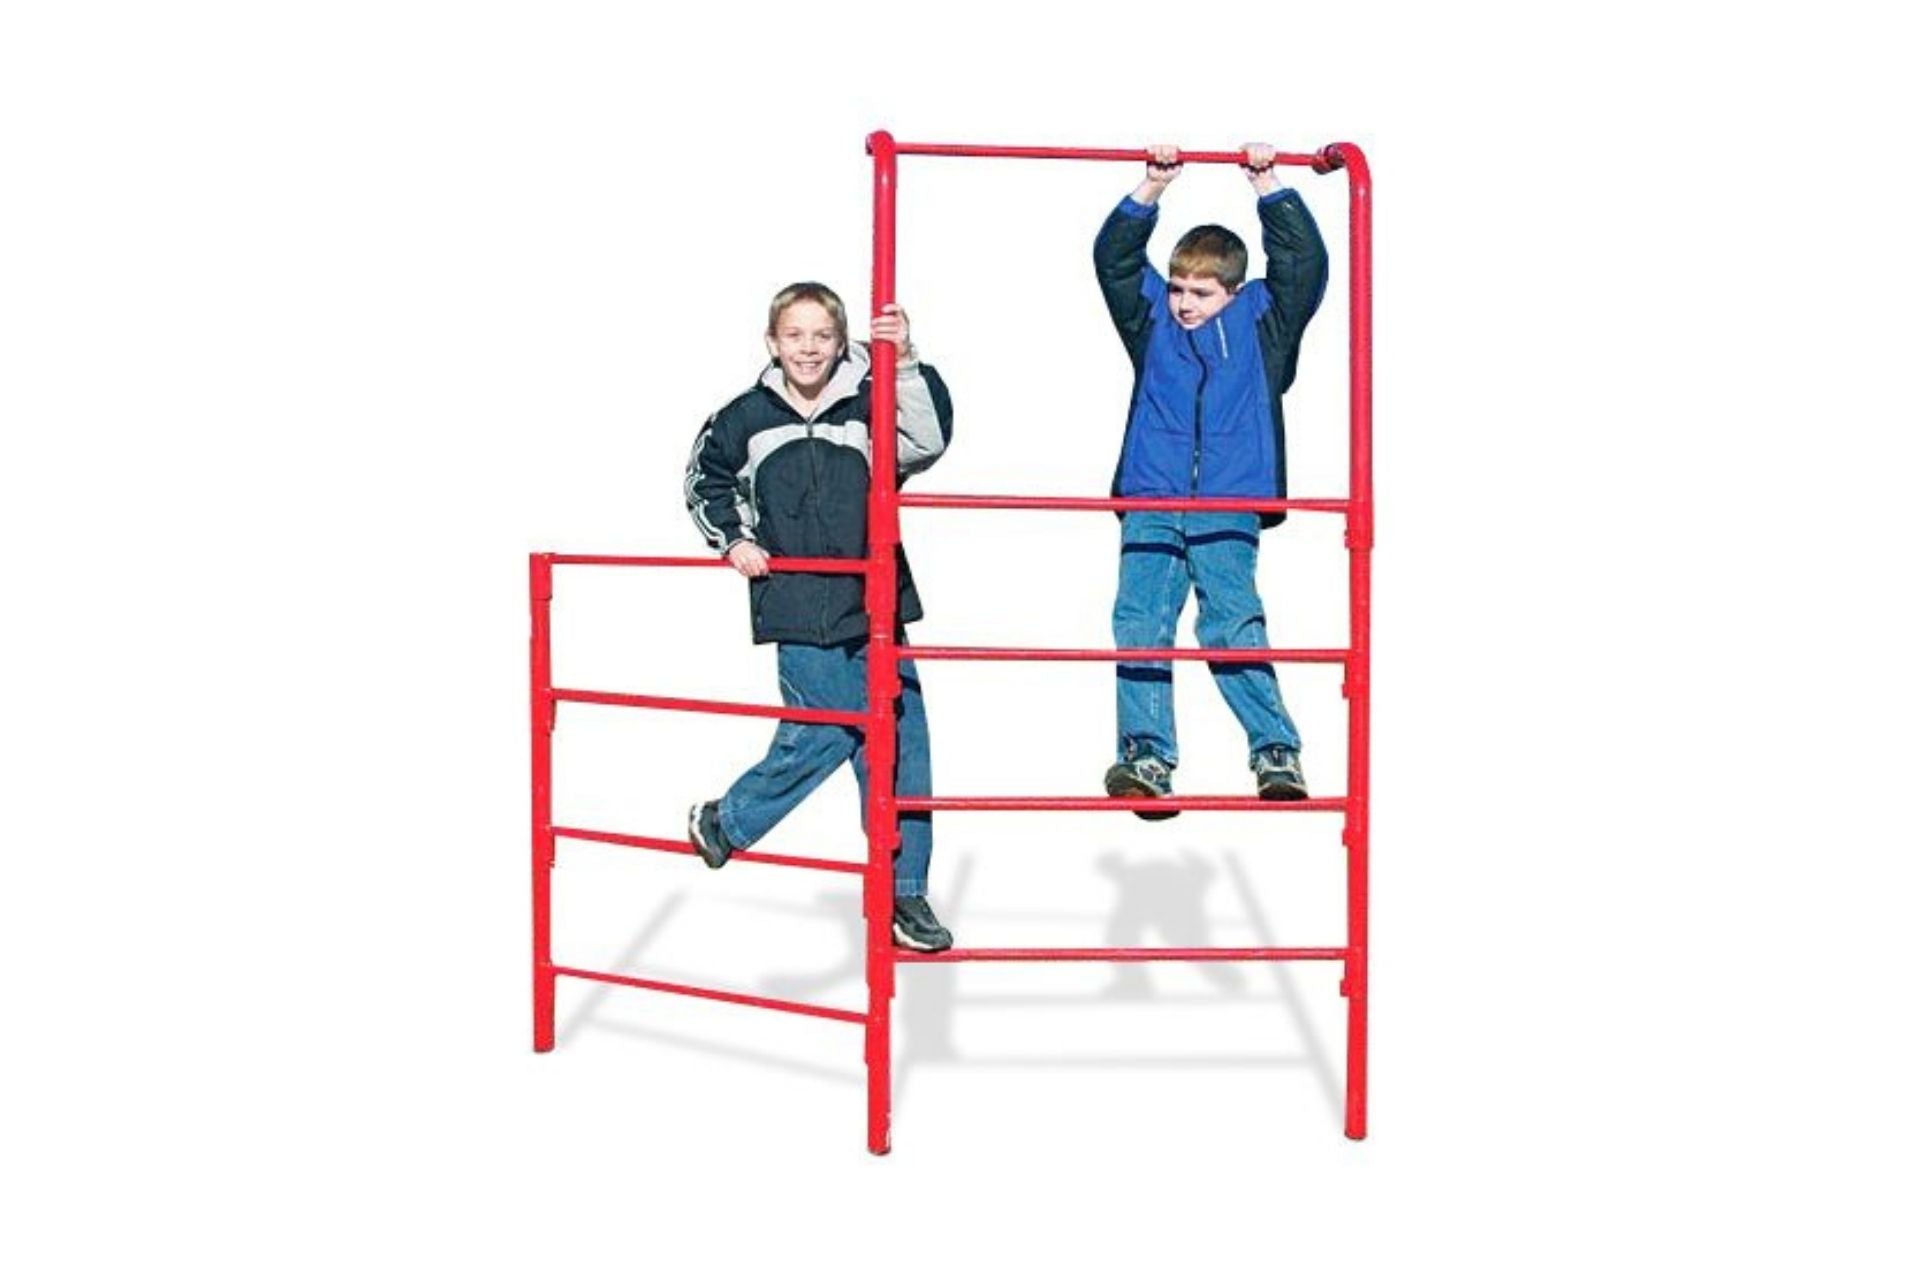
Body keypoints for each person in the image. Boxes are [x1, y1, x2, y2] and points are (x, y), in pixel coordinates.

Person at [683, 281, 956, 951]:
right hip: (798, 600)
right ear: (773, 343)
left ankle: (906, 891)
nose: (809, 348)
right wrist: (736, 541)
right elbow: (702, 480)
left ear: (842, 345)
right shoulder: (743, 417)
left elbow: (927, 439)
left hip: (878, 598)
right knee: (828, 730)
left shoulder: (869, 404)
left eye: (822, 337)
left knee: (902, 741)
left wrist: (909, 358)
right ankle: (729, 820)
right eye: (795, 336)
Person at [1094, 143, 1329, 817]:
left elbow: (1302, 266)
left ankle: (1274, 750)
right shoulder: (1151, 326)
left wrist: (1269, 185)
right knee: (1140, 621)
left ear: (1234, 292)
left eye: (1201, 292)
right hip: (1153, 496)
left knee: (1230, 623)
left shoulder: (1264, 327)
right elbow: (1112, 261)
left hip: (1230, 499)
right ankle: (1146, 756)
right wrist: (1152, 187)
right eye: (1177, 288)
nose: (1184, 303)